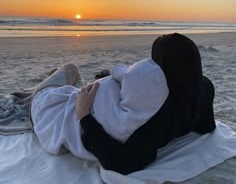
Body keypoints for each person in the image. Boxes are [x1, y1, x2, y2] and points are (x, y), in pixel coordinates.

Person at [77, 33, 216, 174]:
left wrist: (84, 116)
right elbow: (207, 126)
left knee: (68, 75)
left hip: (83, 101)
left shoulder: (154, 109)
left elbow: (120, 163)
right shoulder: (205, 86)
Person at [31, 58, 169, 160]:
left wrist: (84, 114)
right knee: (76, 85)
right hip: (69, 103)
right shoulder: (151, 114)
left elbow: (117, 71)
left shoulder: (132, 84)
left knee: (70, 68)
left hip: (45, 106)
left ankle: (46, 82)